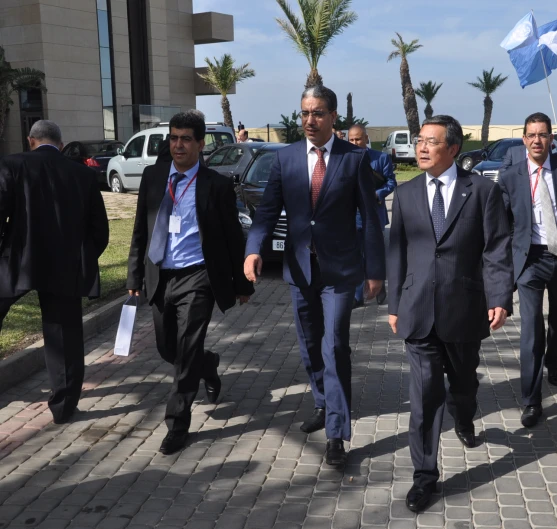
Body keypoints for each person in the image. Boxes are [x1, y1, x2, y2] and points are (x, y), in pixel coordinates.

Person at [244, 85, 385, 466]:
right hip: (299, 270)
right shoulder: (286, 158)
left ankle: (337, 434)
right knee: (309, 346)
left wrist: (375, 271)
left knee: (334, 345)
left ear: (333, 116)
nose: (310, 120)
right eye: (305, 113)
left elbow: (371, 220)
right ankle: (323, 403)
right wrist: (253, 249)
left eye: (318, 113)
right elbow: (267, 212)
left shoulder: (354, 159)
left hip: (340, 272)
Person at [387, 115, 512, 513]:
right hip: (418, 310)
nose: (421, 147)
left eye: (431, 142)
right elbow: (397, 254)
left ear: (453, 149)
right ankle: (425, 476)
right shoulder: (405, 195)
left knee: (462, 386)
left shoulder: (482, 192)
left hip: (464, 309)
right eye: (420, 141)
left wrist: (500, 298)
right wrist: (394, 305)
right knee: (424, 397)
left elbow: (495, 248)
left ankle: (464, 415)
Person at [127, 110, 253, 455]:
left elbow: (231, 237)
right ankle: (208, 365)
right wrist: (134, 274)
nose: (178, 145)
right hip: (160, 274)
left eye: (185, 139)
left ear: (200, 144)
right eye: (173, 138)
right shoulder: (154, 177)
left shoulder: (217, 184)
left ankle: (177, 424)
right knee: (169, 348)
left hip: (198, 277)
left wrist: (242, 284)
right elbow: (141, 229)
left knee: (185, 350)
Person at [0, 120, 109, 424]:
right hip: (64, 264)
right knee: (64, 337)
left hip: (15, 262)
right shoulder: (83, 175)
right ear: (60, 145)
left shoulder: (11, 164)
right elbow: (99, 231)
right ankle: (63, 406)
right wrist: (81, 258)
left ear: (30, 140)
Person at [498, 112, 557, 428]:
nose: (537, 140)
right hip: (530, 261)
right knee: (531, 328)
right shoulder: (510, 176)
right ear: (524, 139)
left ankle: (553, 360)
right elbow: (502, 220)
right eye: (531, 135)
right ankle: (531, 400)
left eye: (543, 134)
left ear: (551, 138)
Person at [347, 124, 396, 308]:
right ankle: (358, 296)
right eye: (351, 139)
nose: (354, 142)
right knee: (357, 255)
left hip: (374, 214)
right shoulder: (344, 159)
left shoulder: (380, 158)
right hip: (353, 216)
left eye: (358, 139)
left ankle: (378, 282)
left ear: (366, 139)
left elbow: (391, 182)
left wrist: (378, 193)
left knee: (374, 254)